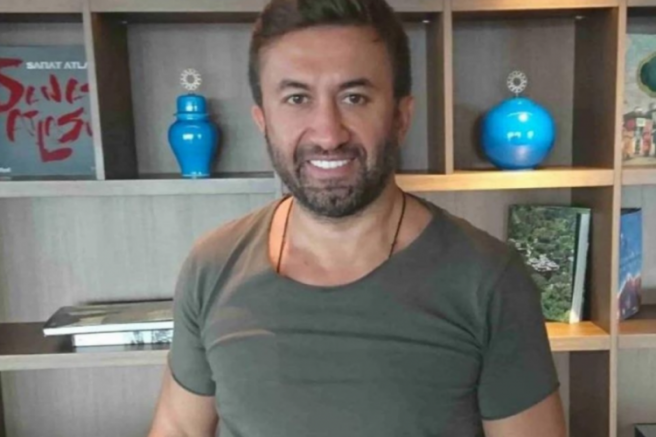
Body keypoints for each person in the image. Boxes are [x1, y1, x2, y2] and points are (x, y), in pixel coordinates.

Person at [148, 0, 567, 435]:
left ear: (400, 117)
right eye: (297, 98)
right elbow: (178, 427)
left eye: (354, 97)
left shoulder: (489, 280)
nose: (328, 134)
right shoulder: (211, 266)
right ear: (263, 121)